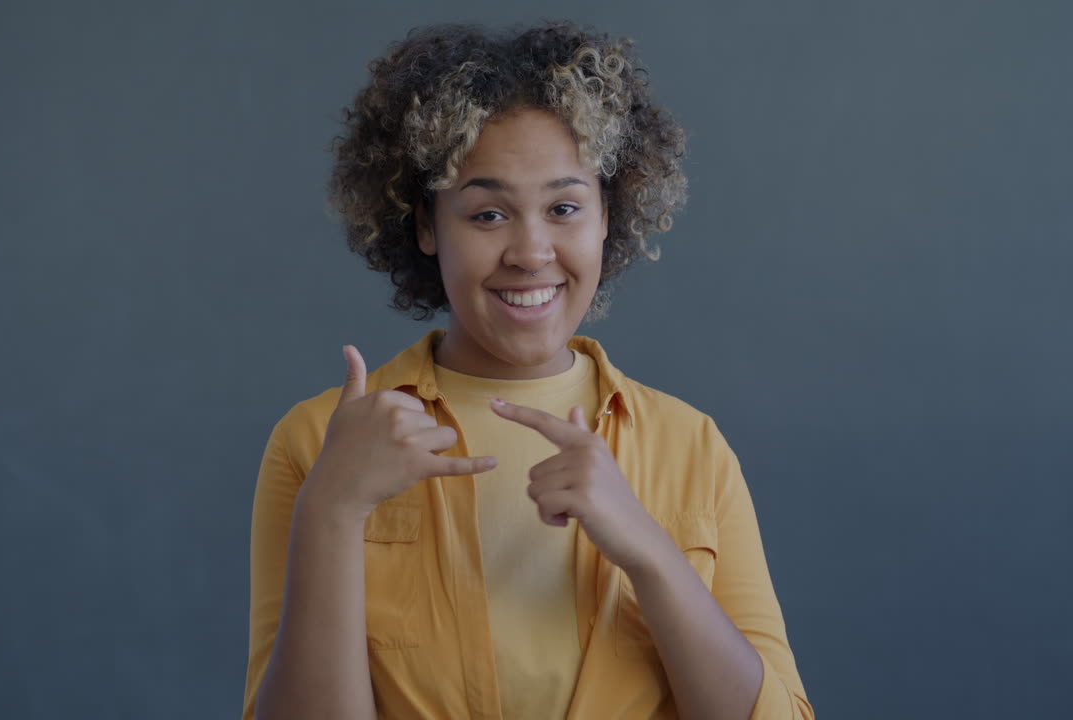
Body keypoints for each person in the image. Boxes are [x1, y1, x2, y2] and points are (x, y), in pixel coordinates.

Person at [243, 20, 814, 720]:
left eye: (564, 208)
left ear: (607, 216)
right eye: (488, 214)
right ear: (426, 225)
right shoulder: (315, 444)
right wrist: (332, 511)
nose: (531, 251)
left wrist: (650, 554)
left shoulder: (692, 446)